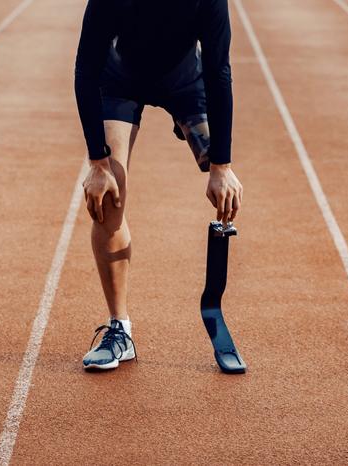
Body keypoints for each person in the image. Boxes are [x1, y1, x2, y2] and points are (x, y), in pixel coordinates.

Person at [74, 0, 243, 370]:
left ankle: (187, 125)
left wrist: (221, 166)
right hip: (120, 83)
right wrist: (98, 163)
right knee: (108, 199)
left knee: (224, 185)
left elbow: (219, 72)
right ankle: (120, 330)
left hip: (185, 84)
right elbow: (86, 70)